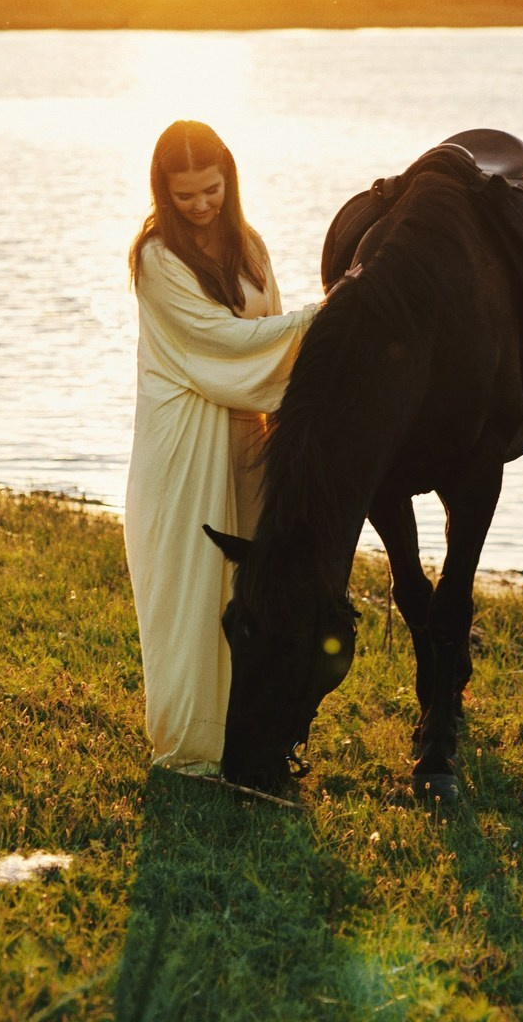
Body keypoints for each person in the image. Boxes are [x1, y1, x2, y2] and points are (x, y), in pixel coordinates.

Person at [124, 120, 316, 775]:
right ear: (163, 191)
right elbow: (220, 341)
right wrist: (324, 315)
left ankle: (252, 737)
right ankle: (192, 743)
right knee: (192, 584)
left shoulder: (250, 245)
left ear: (229, 176)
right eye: (184, 196)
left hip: (247, 431)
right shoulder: (157, 258)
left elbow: (272, 336)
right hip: (186, 433)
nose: (201, 204)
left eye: (211, 189)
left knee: (252, 587)